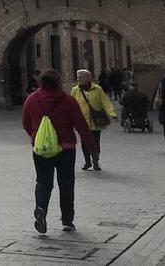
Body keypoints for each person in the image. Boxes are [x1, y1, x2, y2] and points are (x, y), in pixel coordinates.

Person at [22, 68, 97, 233]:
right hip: (66, 148)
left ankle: (41, 208)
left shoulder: (31, 100)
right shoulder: (68, 101)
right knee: (66, 184)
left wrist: (36, 136)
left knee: (43, 182)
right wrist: (91, 144)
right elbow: (80, 125)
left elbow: (26, 123)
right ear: (58, 83)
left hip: (41, 149)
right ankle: (67, 221)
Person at [71, 69, 115, 171]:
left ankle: (96, 161)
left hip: (96, 121)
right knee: (84, 143)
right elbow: (71, 103)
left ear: (88, 78)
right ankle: (87, 161)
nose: (78, 79)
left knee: (95, 142)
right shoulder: (75, 90)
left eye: (81, 77)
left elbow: (105, 101)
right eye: (78, 77)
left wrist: (112, 112)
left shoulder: (97, 89)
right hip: (82, 121)